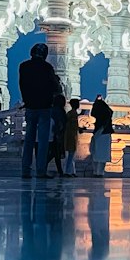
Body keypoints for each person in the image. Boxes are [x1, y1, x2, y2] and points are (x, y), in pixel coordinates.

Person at [18, 42, 60, 178]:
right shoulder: (47, 67)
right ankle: (41, 170)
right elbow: (55, 87)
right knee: (42, 141)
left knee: (29, 140)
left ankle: (26, 169)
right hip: (44, 107)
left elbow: (22, 85)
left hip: (30, 107)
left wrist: (27, 100)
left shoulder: (24, 67)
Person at [90, 93, 113, 177]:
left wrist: (97, 102)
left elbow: (93, 113)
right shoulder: (107, 111)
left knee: (96, 153)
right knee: (103, 154)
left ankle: (96, 171)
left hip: (99, 132)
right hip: (105, 132)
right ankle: (100, 172)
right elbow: (110, 112)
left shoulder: (97, 109)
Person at [47, 95, 68, 178]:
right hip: (57, 134)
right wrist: (58, 133)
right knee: (55, 153)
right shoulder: (59, 111)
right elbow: (60, 123)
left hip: (54, 134)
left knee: (56, 154)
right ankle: (42, 166)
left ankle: (60, 171)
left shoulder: (52, 110)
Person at [63, 98, 81, 175]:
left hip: (69, 135)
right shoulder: (73, 114)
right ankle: (68, 171)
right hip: (71, 136)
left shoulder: (71, 113)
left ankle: (71, 171)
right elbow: (73, 125)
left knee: (70, 154)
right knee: (70, 154)